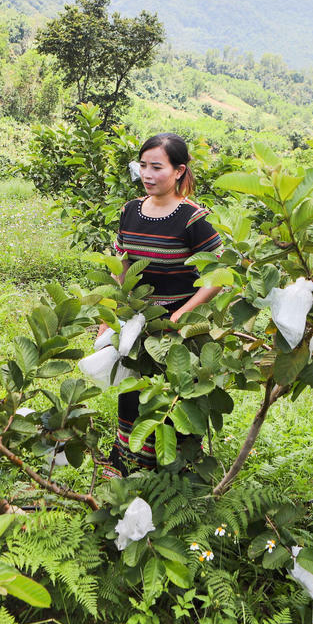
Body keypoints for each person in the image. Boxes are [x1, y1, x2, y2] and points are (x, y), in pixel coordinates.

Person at [108, 133, 222, 474]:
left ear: (178, 171)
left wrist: (185, 312)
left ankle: (174, 476)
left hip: (178, 330)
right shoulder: (130, 210)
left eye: (157, 167)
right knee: (134, 395)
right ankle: (129, 468)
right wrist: (116, 310)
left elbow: (218, 271)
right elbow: (122, 266)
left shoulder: (192, 218)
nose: (147, 174)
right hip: (141, 322)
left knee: (176, 399)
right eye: (143, 166)